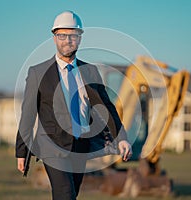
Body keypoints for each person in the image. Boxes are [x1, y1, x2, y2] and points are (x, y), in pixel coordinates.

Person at [15, 10, 132, 200]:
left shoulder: (90, 71)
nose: (67, 40)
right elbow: (28, 114)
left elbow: (106, 106)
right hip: (51, 146)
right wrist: (22, 152)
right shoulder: (38, 73)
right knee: (65, 194)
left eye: (73, 35)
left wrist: (122, 137)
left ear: (80, 38)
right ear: (54, 38)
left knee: (71, 195)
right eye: (62, 35)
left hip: (80, 146)